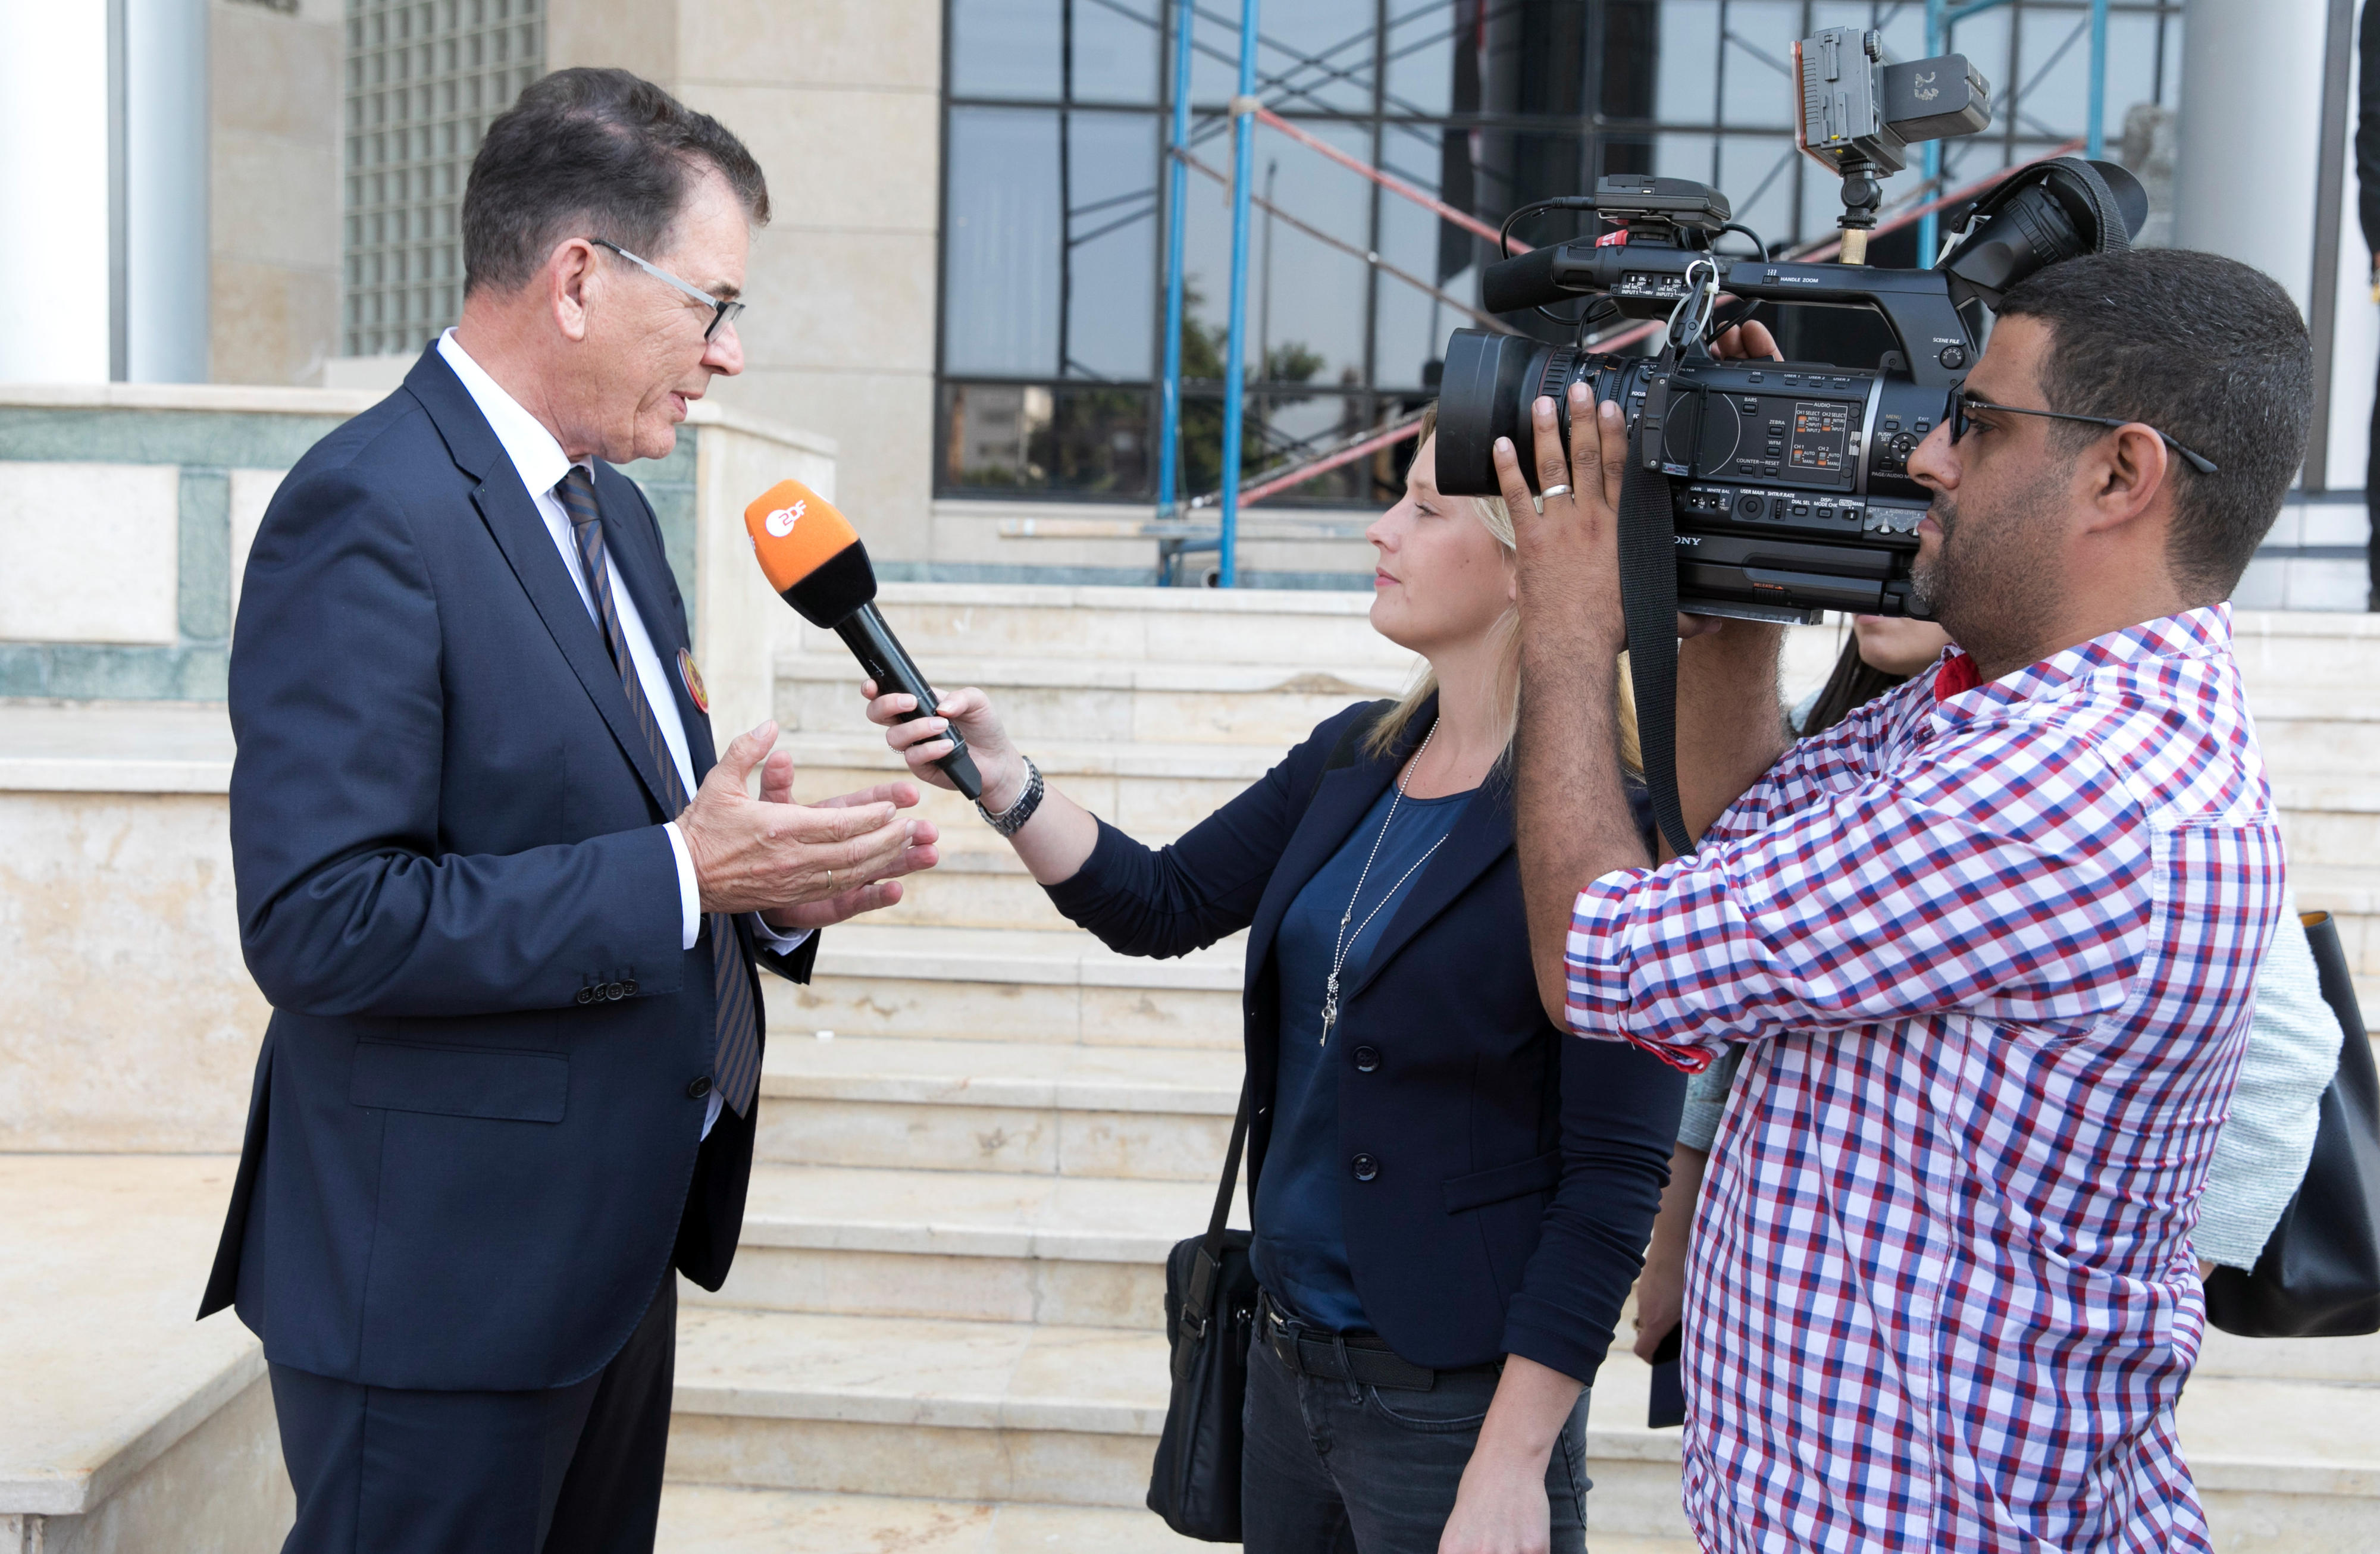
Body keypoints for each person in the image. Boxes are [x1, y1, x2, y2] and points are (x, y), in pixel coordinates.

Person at [198, 69, 939, 1554]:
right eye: (713, 305)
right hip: (436, 1287)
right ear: (581, 279)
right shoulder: (368, 509)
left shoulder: (616, 515)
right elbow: (321, 920)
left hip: (605, 1260)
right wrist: (683, 872)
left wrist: (764, 894)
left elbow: (645, 847)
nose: (728, 355)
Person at [1503, 247, 2314, 1549]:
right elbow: (1743, 837)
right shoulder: (2006, 716)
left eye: (1975, 421)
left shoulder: (2067, 785)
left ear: (2121, 474)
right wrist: (1736, 557)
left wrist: (1561, 629)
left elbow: (1600, 957)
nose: (1926, 457)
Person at [861, 412, 1684, 1554]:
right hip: (1286, 1367)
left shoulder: (1610, 831)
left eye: (1423, 509)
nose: (1380, 530)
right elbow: (1161, 902)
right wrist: (1004, 781)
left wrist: (1511, 1462)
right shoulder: (1355, 755)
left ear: (1526, 564)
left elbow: (1613, 1182)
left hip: (1456, 1407)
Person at [1629, 618, 2351, 1365]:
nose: (1900, 567)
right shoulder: (1820, 730)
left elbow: (2287, 1045)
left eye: (1919, 556)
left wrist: (2153, 1296)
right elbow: (1725, 977)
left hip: (1994, 1330)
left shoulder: (2088, 763)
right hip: (1787, 1279)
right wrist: (1678, 1237)